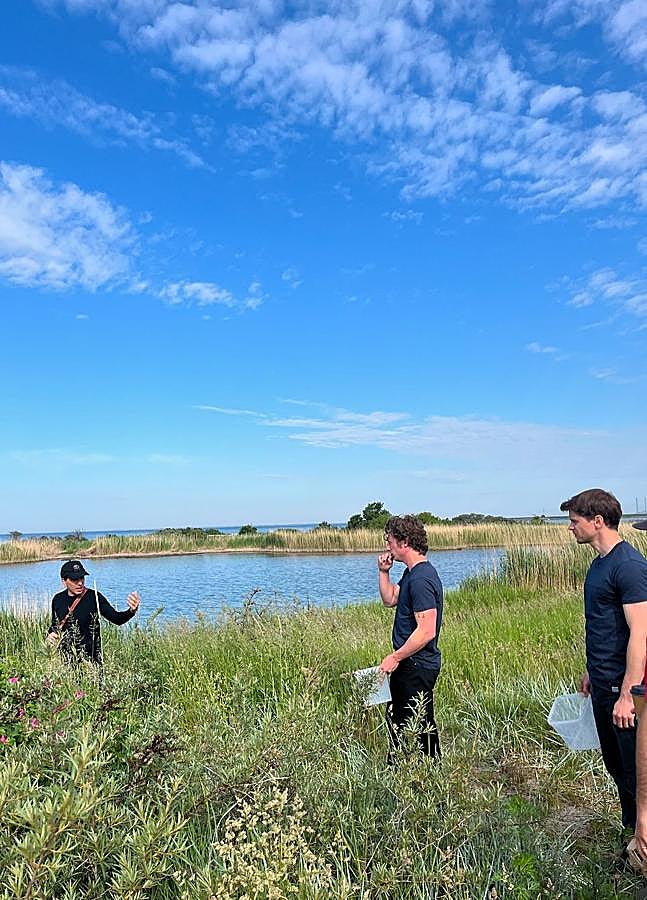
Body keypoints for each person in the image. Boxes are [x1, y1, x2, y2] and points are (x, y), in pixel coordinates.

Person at [560, 489, 647, 837]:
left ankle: (640, 841)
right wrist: (591, 672)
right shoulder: (599, 565)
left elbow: (640, 634)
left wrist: (628, 694)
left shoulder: (629, 566)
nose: (570, 527)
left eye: (574, 521)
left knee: (636, 773)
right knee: (616, 766)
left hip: (622, 690)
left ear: (597, 521)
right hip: (602, 684)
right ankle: (631, 836)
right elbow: (605, 628)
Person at [377, 514, 443, 757]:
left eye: (390, 540)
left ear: (404, 542)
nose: (387, 545)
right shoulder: (411, 574)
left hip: (416, 665)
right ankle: (413, 770)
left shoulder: (421, 579)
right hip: (410, 663)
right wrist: (384, 572)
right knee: (406, 724)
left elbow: (426, 630)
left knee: (416, 727)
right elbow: (390, 599)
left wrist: (395, 657)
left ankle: (423, 771)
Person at [46, 560, 141, 665]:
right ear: (64, 581)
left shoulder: (94, 597)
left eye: (82, 578)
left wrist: (131, 611)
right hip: (65, 662)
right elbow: (55, 626)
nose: (80, 583)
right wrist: (50, 635)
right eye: (74, 579)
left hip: (91, 662)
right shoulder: (57, 599)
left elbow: (117, 619)